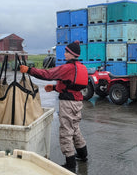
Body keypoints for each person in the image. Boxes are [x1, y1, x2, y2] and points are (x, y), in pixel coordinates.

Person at [20, 40, 88, 172]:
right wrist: (56, 88)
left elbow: (48, 74)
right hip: (77, 102)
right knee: (75, 128)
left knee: (66, 131)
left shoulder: (67, 67)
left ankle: (70, 164)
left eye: (66, 51)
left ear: (71, 54)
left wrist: (29, 70)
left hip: (68, 103)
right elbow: (71, 86)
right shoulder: (80, 67)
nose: (64, 53)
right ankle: (83, 155)